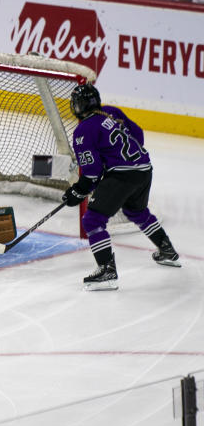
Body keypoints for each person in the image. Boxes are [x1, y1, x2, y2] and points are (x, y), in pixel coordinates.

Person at [62, 83, 180, 291]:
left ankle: (107, 271)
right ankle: (167, 250)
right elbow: (138, 134)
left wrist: (77, 191)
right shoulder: (112, 112)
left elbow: (92, 171)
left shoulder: (82, 131)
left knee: (92, 220)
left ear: (78, 106)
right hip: (144, 168)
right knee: (137, 211)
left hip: (123, 175)